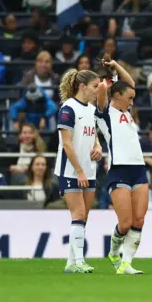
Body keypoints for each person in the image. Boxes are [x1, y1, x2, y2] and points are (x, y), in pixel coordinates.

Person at [95, 58, 148, 275]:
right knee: (124, 223)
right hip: (119, 170)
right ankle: (114, 251)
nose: (132, 102)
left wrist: (116, 65)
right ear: (116, 96)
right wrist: (105, 80)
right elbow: (101, 90)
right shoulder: (105, 114)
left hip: (139, 168)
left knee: (139, 219)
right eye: (129, 99)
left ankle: (126, 263)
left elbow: (129, 85)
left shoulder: (127, 113)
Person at [56, 68, 102, 273]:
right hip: (71, 170)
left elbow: (94, 134)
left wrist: (98, 146)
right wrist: (79, 171)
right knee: (79, 213)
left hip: (88, 169)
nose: (97, 91)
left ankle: (71, 263)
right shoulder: (68, 109)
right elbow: (67, 144)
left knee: (83, 217)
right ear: (82, 86)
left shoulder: (91, 110)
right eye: (95, 86)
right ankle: (81, 261)